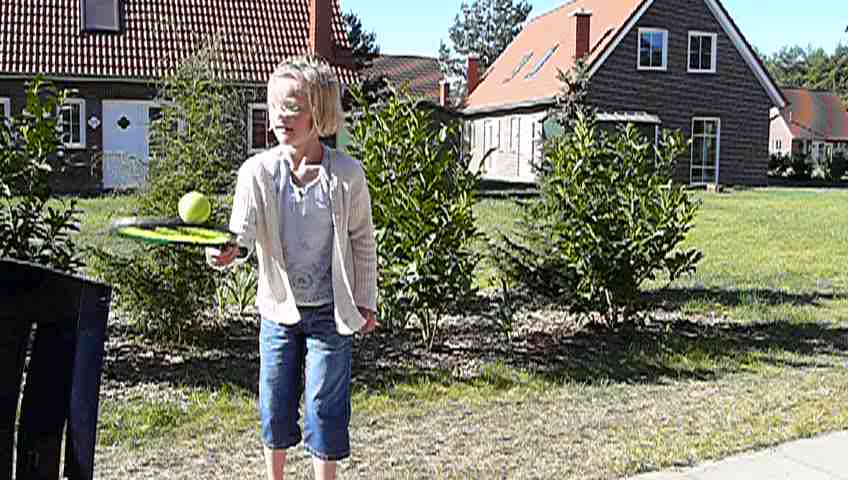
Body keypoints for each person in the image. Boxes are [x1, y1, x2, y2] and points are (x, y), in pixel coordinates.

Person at [207, 55, 378, 480]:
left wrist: (366, 300)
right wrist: (228, 252)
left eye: (293, 107)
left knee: (324, 404)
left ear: (320, 113)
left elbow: (362, 240)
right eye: (275, 106)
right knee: (274, 403)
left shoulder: (347, 175)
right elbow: (241, 234)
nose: (280, 117)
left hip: (331, 312)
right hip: (278, 311)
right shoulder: (257, 172)